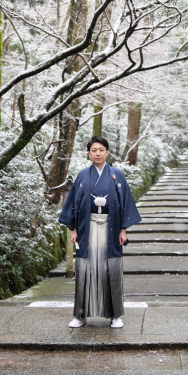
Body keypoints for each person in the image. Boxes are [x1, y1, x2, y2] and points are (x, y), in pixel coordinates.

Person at [58, 136, 141, 328]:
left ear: (107, 152)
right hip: (87, 228)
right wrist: (75, 229)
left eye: (101, 149)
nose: (97, 153)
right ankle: (80, 316)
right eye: (94, 150)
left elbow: (125, 202)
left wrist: (123, 230)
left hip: (111, 230)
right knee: (84, 269)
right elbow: (75, 205)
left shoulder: (117, 175)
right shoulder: (82, 176)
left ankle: (115, 316)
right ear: (88, 153)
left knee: (110, 269)